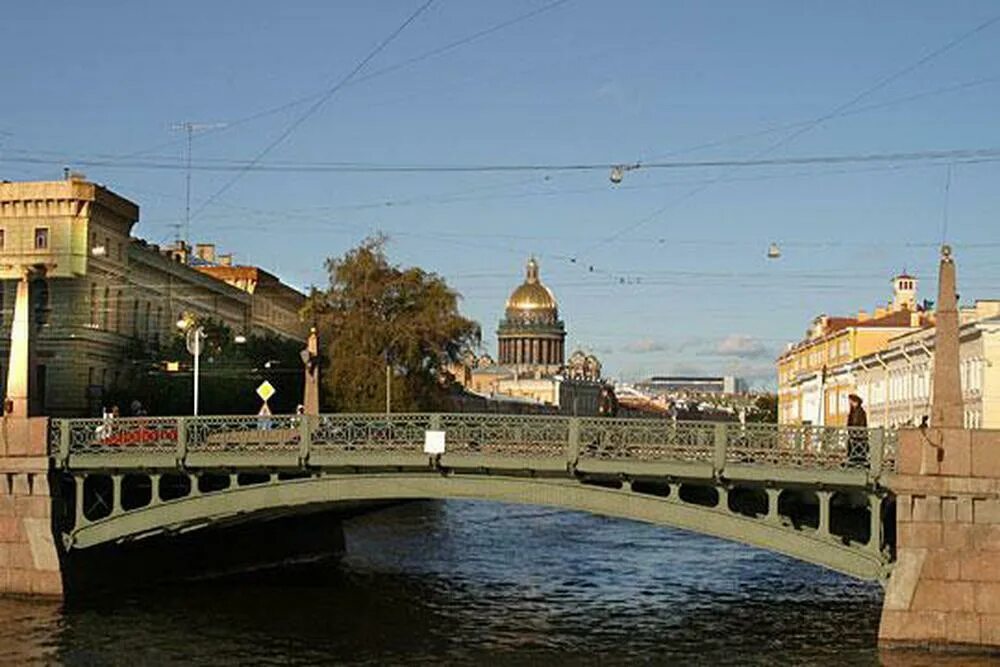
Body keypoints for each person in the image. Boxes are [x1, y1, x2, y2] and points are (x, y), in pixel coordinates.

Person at [847, 394, 868, 466]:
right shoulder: (853, 411)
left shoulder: (860, 411)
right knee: (852, 446)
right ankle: (853, 460)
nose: (850, 403)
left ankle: (856, 461)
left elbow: (861, 424)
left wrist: (856, 432)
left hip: (858, 436)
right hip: (854, 434)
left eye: (851, 401)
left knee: (857, 447)